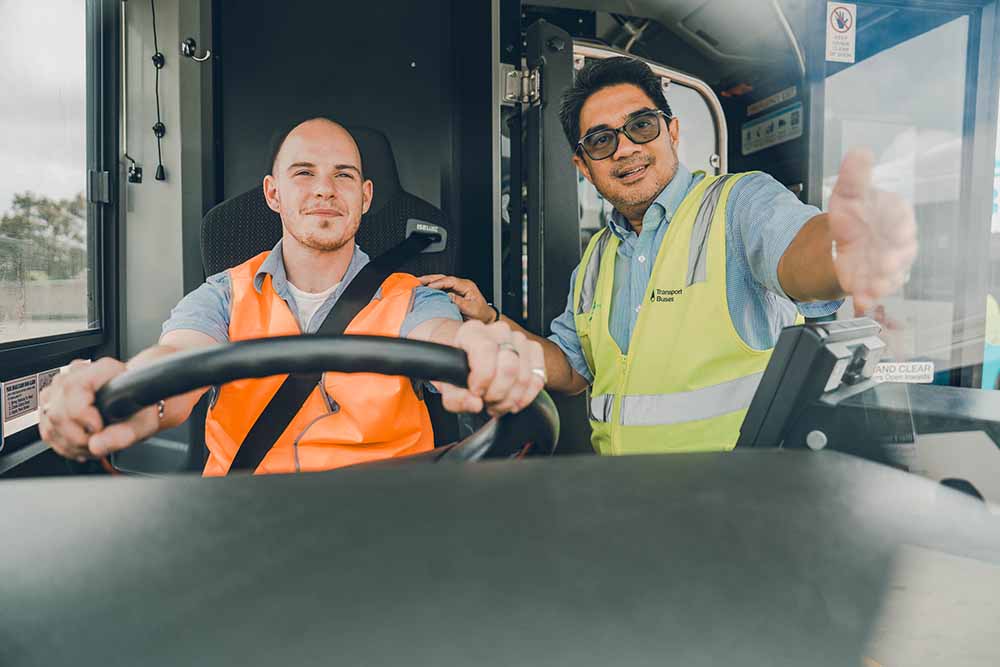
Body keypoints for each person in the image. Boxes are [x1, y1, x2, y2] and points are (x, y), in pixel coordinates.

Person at [422, 57, 917, 455]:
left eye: (641, 125)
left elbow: (798, 255)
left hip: (735, 505)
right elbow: (572, 372)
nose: (624, 149)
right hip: (626, 505)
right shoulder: (596, 258)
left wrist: (840, 251)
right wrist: (490, 321)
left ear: (672, 132)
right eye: (601, 140)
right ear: (583, 166)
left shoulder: (739, 205)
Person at [40, 117, 546, 475]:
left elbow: (444, 337)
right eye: (304, 173)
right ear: (273, 193)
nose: (325, 189)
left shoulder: (413, 297)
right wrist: (129, 393)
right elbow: (177, 356)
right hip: (247, 519)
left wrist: (479, 355)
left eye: (344, 175)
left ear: (365, 197)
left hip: (391, 518)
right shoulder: (222, 295)